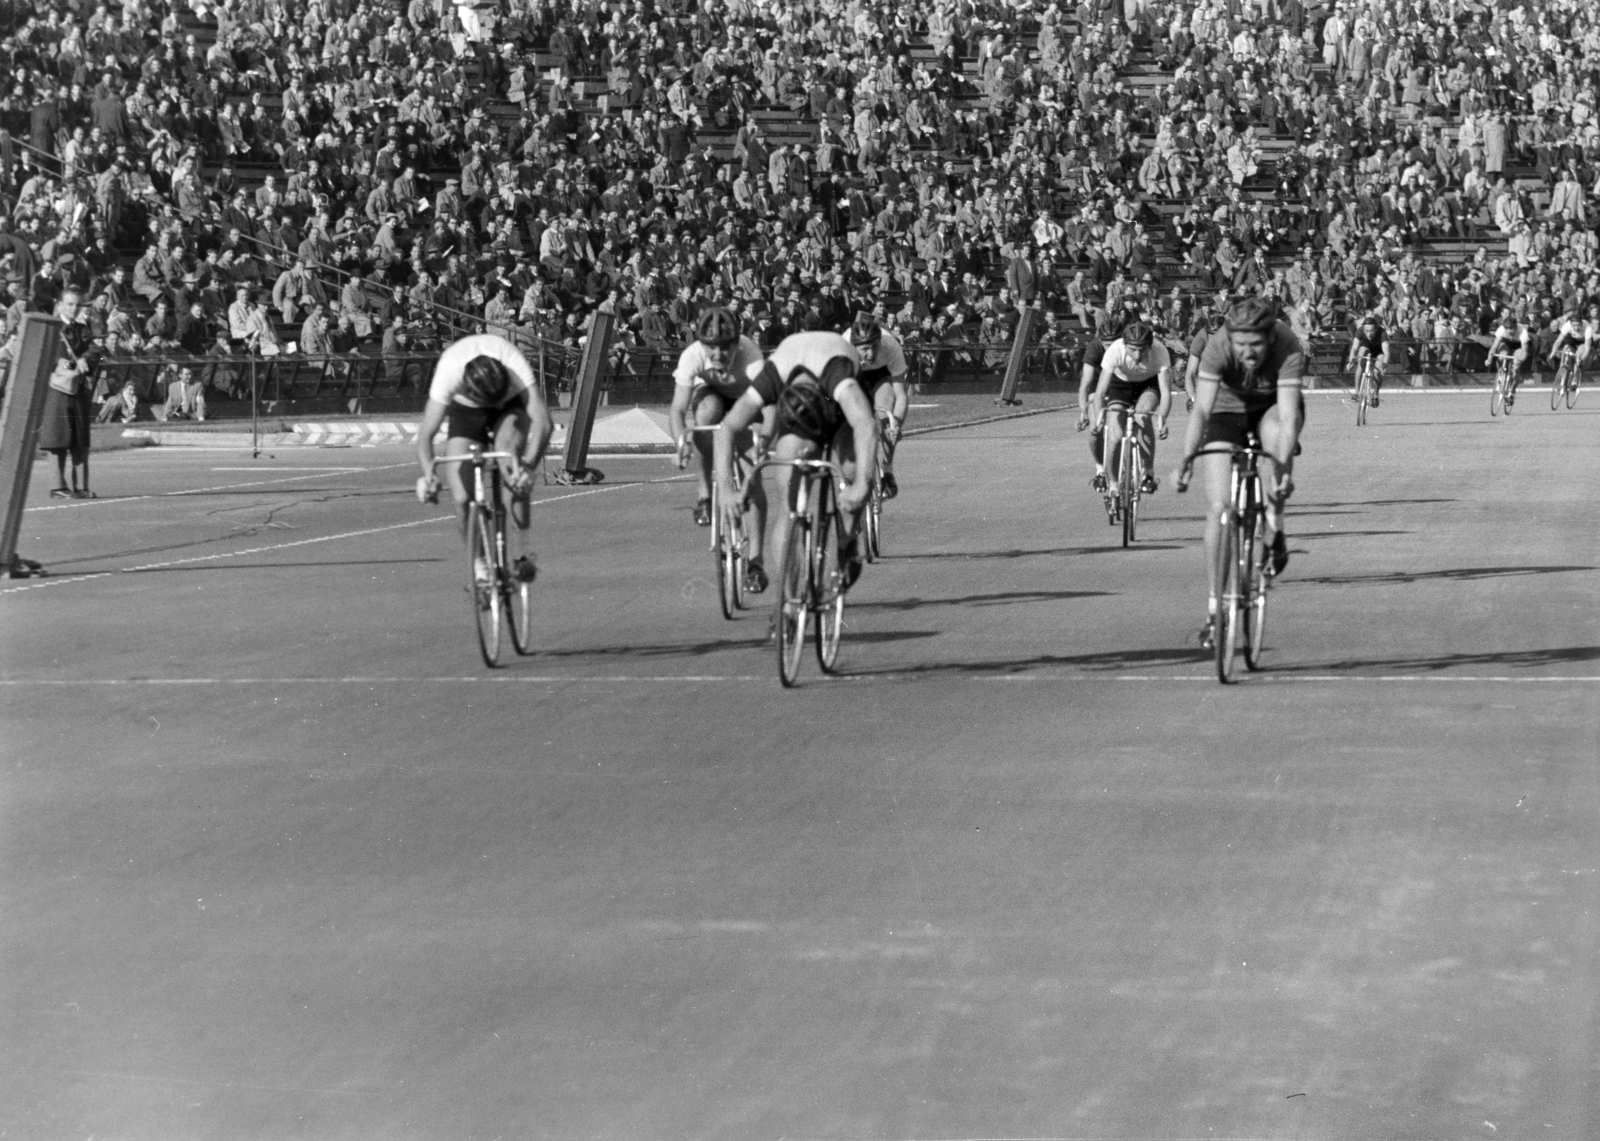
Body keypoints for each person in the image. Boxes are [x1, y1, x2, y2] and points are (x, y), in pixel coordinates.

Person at [1173, 297, 1305, 646]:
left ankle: (1274, 522)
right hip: (1226, 412)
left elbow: (1290, 417)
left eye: (1256, 344)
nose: (1248, 352)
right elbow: (1200, 411)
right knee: (1219, 510)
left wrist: (1282, 466)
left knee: (1277, 444)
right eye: (1241, 344)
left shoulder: (1289, 345)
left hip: (1269, 409)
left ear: (1270, 338)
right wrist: (1186, 460)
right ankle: (1216, 611)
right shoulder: (1218, 346)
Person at [713, 330, 877, 596]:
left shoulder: (839, 376)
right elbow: (727, 428)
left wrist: (861, 483)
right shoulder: (771, 378)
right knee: (788, 507)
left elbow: (865, 425)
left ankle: (847, 541)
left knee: (853, 469)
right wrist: (726, 491)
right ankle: (788, 602)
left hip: (837, 406)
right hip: (797, 409)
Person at [415, 333, 555, 585]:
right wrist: (430, 474)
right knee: (462, 497)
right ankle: (480, 565)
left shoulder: (513, 362)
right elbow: (426, 435)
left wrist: (529, 467)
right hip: (466, 413)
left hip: (508, 407)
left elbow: (543, 423)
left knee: (512, 469)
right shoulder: (449, 368)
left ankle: (521, 552)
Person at [667, 307, 767, 556]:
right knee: (706, 414)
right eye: (712, 347)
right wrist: (681, 443)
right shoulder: (693, 355)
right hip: (711, 394)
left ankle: (755, 558)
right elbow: (678, 409)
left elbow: (768, 403)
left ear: (737, 344)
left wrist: (763, 434)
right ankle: (704, 495)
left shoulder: (751, 356)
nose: (718, 353)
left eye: (725, 347)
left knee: (752, 478)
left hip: (744, 400)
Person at [1090, 321, 1172, 497]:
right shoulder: (1114, 351)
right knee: (1115, 435)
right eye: (1132, 349)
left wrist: (1162, 419)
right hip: (1121, 385)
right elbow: (1100, 392)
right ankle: (1113, 484)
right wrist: (1099, 418)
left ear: (1150, 346)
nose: (1137, 355)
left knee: (1143, 415)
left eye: (1142, 350)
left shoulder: (1160, 351)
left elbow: (1165, 393)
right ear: (1124, 344)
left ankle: (1148, 473)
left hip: (1148, 384)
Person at [36, 289, 100, 499]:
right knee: (58, 439)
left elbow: (94, 349)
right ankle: (57, 486)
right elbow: (44, 354)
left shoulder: (82, 328)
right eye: (70, 304)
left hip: (78, 388)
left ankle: (81, 486)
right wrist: (59, 361)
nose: (73, 309)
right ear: (60, 304)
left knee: (80, 440)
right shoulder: (51, 329)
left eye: (76, 305)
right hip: (57, 391)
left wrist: (85, 359)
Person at [847, 311, 909, 499]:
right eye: (865, 349)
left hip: (881, 375)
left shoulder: (891, 345)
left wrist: (895, 424)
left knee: (887, 415)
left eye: (875, 347)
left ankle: (887, 470)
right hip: (853, 375)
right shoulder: (844, 348)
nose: (871, 353)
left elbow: (901, 394)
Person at [1487, 310, 1533, 407]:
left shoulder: (1522, 331)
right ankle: (1500, 375)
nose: (1509, 331)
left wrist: (1518, 362)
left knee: (1515, 368)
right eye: (1507, 329)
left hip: (1519, 346)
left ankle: (1512, 392)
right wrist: (1489, 359)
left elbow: (1524, 351)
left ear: (1515, 327)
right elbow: (1494, 347)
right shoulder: (1501, 330)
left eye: (1511, 328)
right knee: (1502, 355)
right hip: (1506, 343)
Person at [1346, 313, 1388, 407]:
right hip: (1366, 348)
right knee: (1360, 362)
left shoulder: (1382, 332)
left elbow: (1386, 351)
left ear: (1376, 329)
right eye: (1367, 331)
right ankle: (1357, 392)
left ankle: (1376, 394)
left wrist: (1384, 365)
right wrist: (1351, 361)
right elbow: (1354, 348)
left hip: (1379, 351)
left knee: (1378, 372)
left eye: (1372, 331)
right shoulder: (1360, 331)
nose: (1369, 334)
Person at [1548, 300, 1599, 378]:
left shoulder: (1587, 327)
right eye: (1574, 325)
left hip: (1583, 341)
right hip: (1573, 340)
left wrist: (1582, 358)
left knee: (1579, 355)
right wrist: (1552, 354)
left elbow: (1587, 348)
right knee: (1565, 351)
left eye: (1578, 325)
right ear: (1570, 324)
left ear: (1581, 323)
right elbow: (1558, 341)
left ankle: (1575, 376)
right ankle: (1563, 376)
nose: (1576, 328)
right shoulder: (1567, 326)